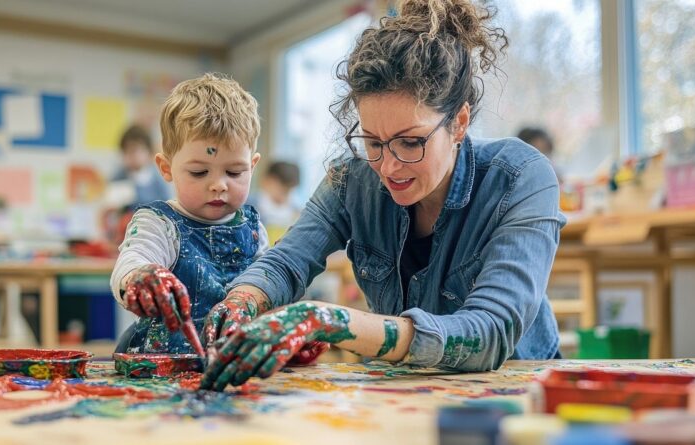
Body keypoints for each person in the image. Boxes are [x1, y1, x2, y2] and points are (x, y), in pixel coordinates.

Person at [200, 0, 566, 391]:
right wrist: (242, 299)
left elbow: (491, 331)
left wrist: (328, 321)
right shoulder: (351, 180)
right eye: (373, 142)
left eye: (410, 142)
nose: (388, 167)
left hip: (519, 393)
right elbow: (286, 260)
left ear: (458, 122)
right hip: (406, 389)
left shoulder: (521, 177)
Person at [110, 73, 272, 356]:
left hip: (231, 359)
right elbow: (131, 262)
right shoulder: (158, 224)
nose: (219, 184)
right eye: (199, 172)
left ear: (253, 166)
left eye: (235, 172)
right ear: (166, 168)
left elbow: (267, 290)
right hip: (161, 363)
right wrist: (139, 277)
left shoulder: (254, 227)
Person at [111, 124, 171, 209]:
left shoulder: (158, 178)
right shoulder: (119, 176)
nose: (131, 156)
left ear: (148, 152)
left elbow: (166, 205)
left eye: (134, 151)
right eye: (126, 151)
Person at [253, 161, 302, 244]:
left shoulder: (296, 214)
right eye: (282, 189)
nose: (284, 196)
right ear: (266, 181)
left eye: (288, 191)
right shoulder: (249, 206)